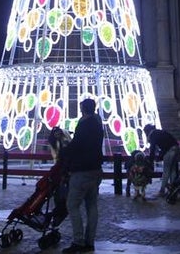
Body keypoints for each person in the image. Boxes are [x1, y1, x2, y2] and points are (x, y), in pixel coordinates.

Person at [62, 98, 103, 253]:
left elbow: (77, 145)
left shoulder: (84, 125)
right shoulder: (98, 124)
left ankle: (78, 241)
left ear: (83, 109)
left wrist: (64, 151)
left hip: (82, 170)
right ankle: (89, 242)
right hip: (96, 169)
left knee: (72, 205)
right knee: (92, 205)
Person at [143, 124, 179, 194]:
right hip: (176, 147)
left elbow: (152, 149)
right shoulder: (159, 132)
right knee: (173, 170)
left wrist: (151, 160)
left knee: (166, 170)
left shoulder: (153, 135)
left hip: (170, 150)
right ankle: (173, 189)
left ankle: (162, 190)